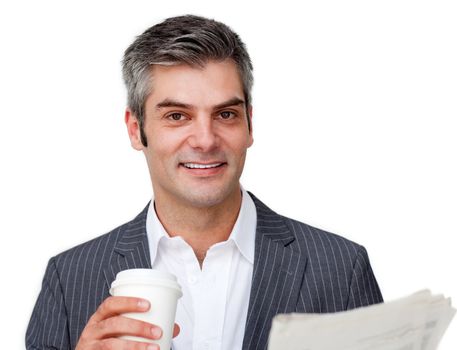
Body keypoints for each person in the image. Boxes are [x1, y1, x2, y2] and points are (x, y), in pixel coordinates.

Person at [26, 14, 383, 350]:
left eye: (225, 114)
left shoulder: (340, 268)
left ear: (250, 126)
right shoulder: (69, 277)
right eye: (177, 116)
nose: (205, 140)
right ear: (136, 130)